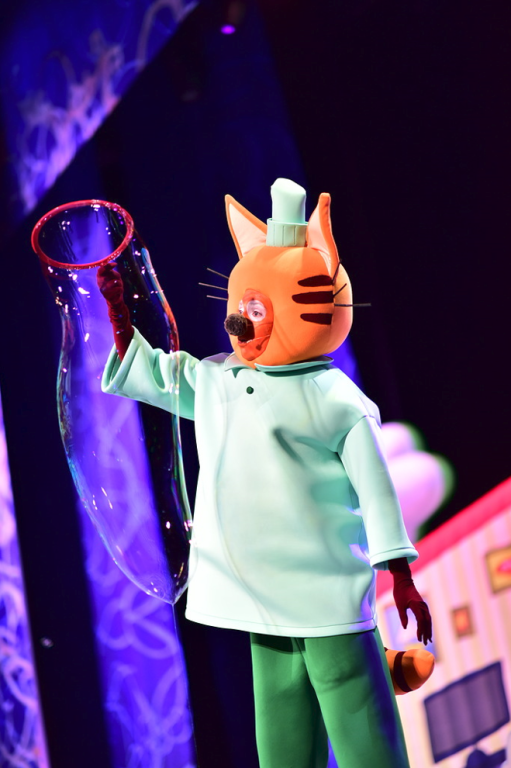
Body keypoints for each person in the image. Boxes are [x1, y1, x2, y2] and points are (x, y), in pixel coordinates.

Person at [99, 179, 432, 768]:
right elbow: (160, 375)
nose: (240, 324)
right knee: (280, 722)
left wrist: (399, 574)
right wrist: (119, 316)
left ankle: (383, 682)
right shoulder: (220, 380)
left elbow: (377, 492)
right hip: (256, 590)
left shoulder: (336, 399)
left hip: (325, 586)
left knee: (356, 710)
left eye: (258, 310)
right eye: (241, 307)